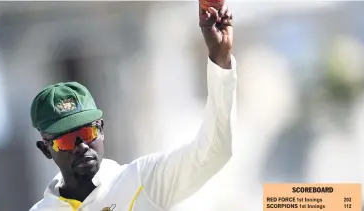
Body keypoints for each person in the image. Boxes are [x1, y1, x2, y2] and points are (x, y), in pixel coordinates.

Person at [30, 4, 236, 211]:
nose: (82, 146)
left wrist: (220, 60)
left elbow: (214, 152)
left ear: (101, 130)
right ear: (46, 149)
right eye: (65, 141)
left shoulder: (142, 180)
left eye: (87, 132)